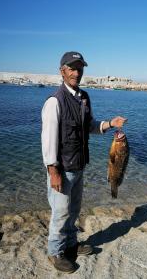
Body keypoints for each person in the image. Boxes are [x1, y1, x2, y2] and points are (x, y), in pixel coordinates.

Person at [41, 51, 127, 273]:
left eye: (79, 69)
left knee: (74, 209)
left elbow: (90, 126)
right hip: (62, 168)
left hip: (79, 165)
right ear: (62, 71)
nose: (76, 73)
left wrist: (110, 123)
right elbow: (48, 139)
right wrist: (53, 171)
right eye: (72, 68)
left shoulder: (84, 97)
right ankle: (55, 252)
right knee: (60, 212)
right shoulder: (54, 101)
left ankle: (70, 243)